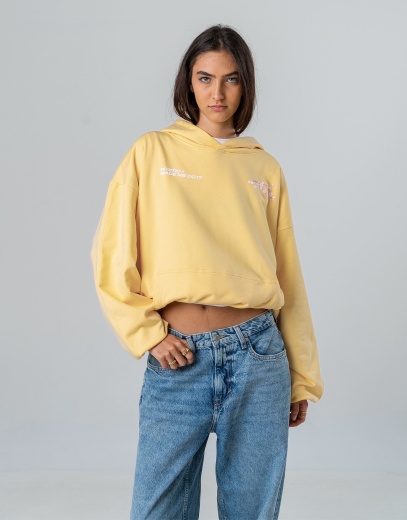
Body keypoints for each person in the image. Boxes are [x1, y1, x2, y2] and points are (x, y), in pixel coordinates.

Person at [91, 24, 323, 520]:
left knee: (252, 511)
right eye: (205, 78)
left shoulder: (264, 168)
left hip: (259, 357)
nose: (218, 93)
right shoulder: (151, 152)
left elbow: (288, 277)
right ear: (189, 83)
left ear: (245, 85)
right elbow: (112, 254)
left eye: (231, 79)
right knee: (156, 511)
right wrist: (147, 334)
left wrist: (302, 377)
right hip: (179, 358)